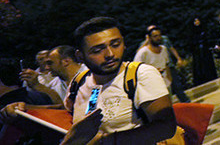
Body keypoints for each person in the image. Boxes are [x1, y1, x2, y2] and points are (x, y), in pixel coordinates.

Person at [3, 17, 177, 144]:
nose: (109, 54)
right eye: (98, 49)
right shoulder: (79, 82)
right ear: (80, 56)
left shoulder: (140, 75)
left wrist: (106, 142)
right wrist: (25, 110)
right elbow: (67, 112)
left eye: (115, 44)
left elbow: (165, 126)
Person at [189, 17, 218, 86]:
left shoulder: (204, 30)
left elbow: (208, 39)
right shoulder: (192, 32)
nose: (197, 22)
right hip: (197, 53)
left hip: (206, 51)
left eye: (198, 20)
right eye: (195, 21)